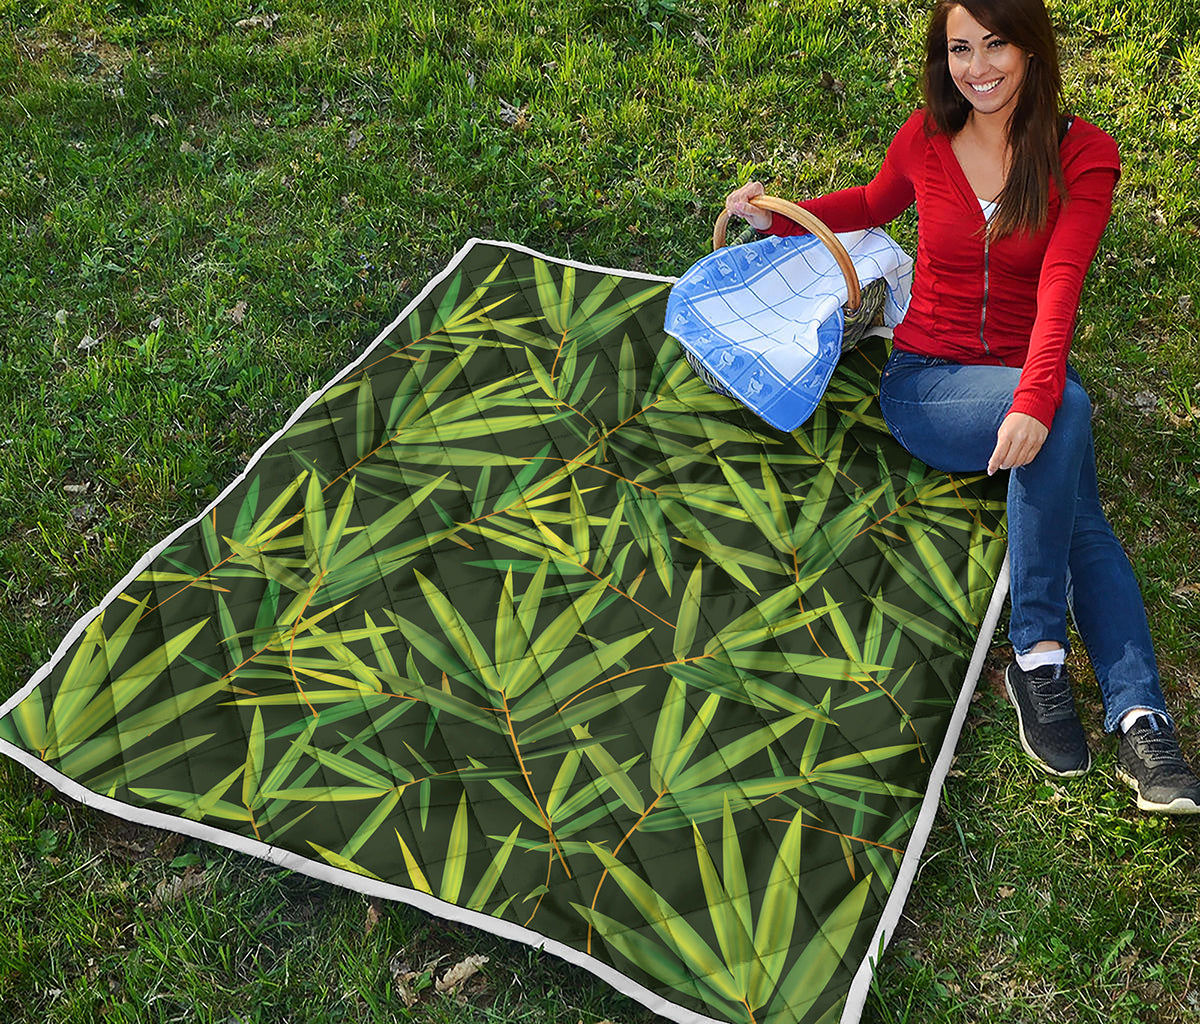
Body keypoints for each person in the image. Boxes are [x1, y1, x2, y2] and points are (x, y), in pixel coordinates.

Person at [724, 0, 1200, 814]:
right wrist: (779, 221)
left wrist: (1037, 397)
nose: (977, 67)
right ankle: (1044, 654)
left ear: (1032, 49)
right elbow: (872, 205)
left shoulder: (1083, 155)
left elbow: (1061, 284)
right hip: (928, 384)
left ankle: (1135, 715)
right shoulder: (926, 137)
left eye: (996, 45)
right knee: (1070, 419)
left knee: (1075, 482)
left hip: (1020, 378)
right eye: (959, 49)